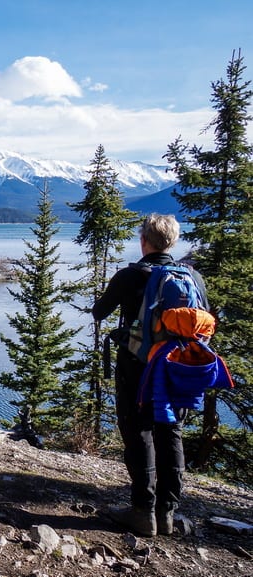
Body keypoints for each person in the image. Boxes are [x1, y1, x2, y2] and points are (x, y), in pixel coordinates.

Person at [92, 213, 207, 537]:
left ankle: (143, 510)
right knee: (171, 430)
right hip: (177, 367)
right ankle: (167, 512)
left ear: (144, 241)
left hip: (138, 366)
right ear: (172, 242)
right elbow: (206, 318)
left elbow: (99, 312)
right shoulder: (192, 278)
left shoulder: (131, 275)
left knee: (139, 431)